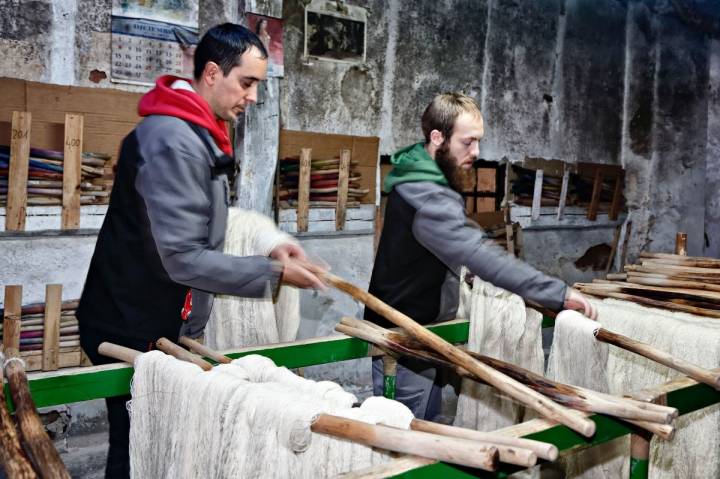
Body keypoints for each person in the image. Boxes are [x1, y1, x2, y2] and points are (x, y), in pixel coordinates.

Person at [77, 23, 325, 478]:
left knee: (156, 438)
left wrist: (274, 246)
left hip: (154, 315)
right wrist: (273, 274)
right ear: (212, 73)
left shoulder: (197, 134)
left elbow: (206, 224)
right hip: (127, 323)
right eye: (246, 83)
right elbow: (183, 256)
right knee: (140, 446)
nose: (252, 97)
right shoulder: (173, 141)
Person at [364, 92, 597, 421]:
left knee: (426, 426)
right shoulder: (425, 191)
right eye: (468, 142)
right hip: (403, 340)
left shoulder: (423, 171)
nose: (476, 152)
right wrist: (557, 293)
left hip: (426, 329)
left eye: (478, 142)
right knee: (407, 440)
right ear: (437, 138)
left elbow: (446, 245)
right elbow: (475, 250)